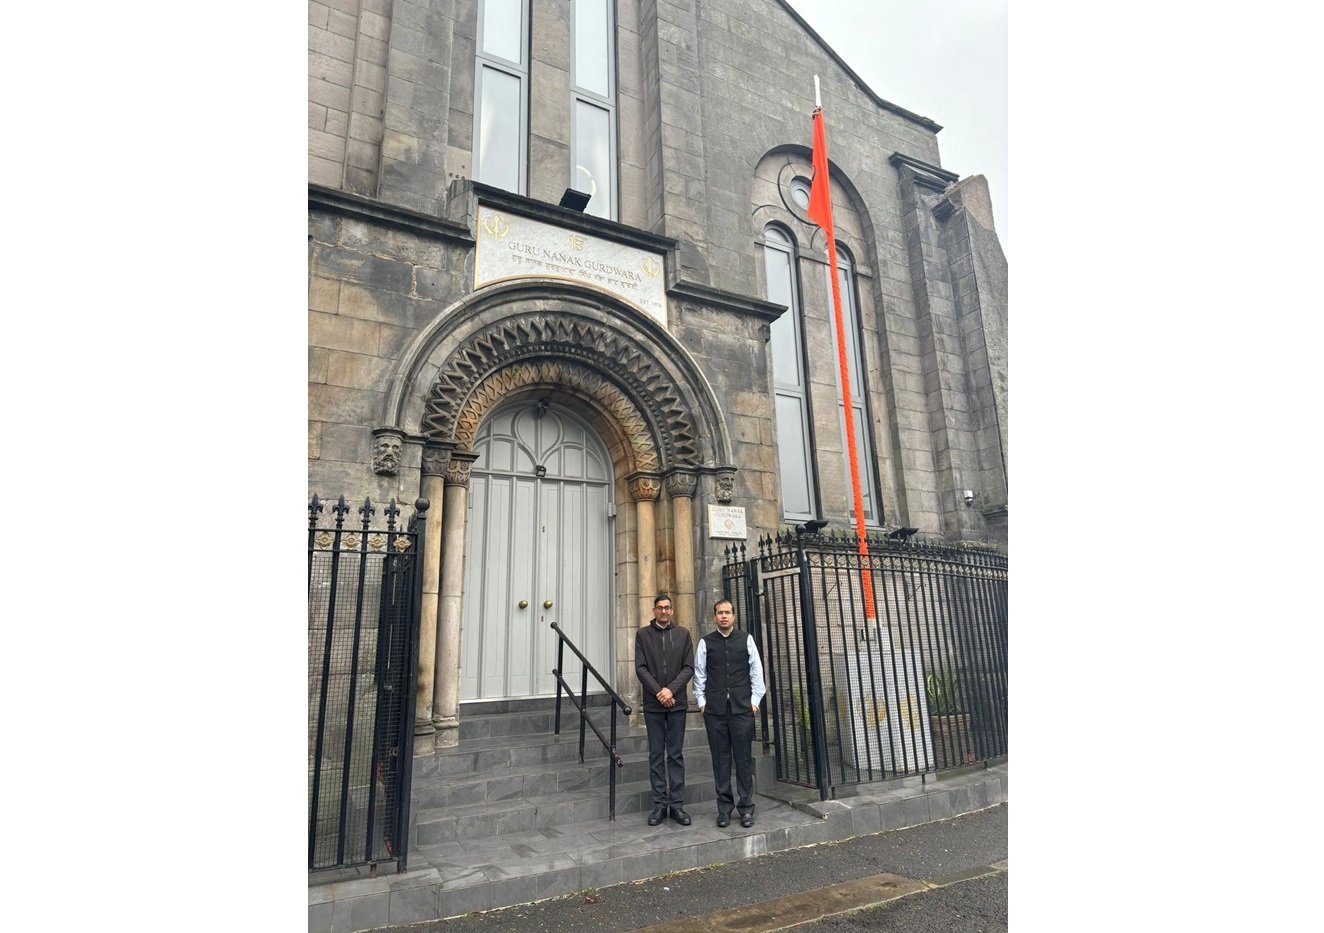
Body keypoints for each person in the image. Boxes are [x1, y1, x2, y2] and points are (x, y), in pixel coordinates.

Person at [693, 598, 765, 828]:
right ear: (714, 617)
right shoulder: (706, 643)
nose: (724, 616)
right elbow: (699, 675)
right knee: (720, 761)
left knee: (743, 760)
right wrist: (702, 703)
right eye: (720, 613)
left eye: (727, 612)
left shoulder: (746, 639)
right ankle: (724, 809)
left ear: (734, 616)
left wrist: (754, 701)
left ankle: (746, 808)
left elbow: (756, 671)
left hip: (742, 709)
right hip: (715, 712)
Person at [634, 593, 695, 826]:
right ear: (654, 610)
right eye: (660, 608)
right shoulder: (643, 635)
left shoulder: (683, 635)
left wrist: (671, 690)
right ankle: (660, 805)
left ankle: (677, 806)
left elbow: (688, 667)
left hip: (677, 704)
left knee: (676, 755)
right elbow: (641, 668)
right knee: (656, 755)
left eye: (668, 607)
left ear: (672, 610)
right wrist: (660, 692)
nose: (664, 611)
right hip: (653, 706)